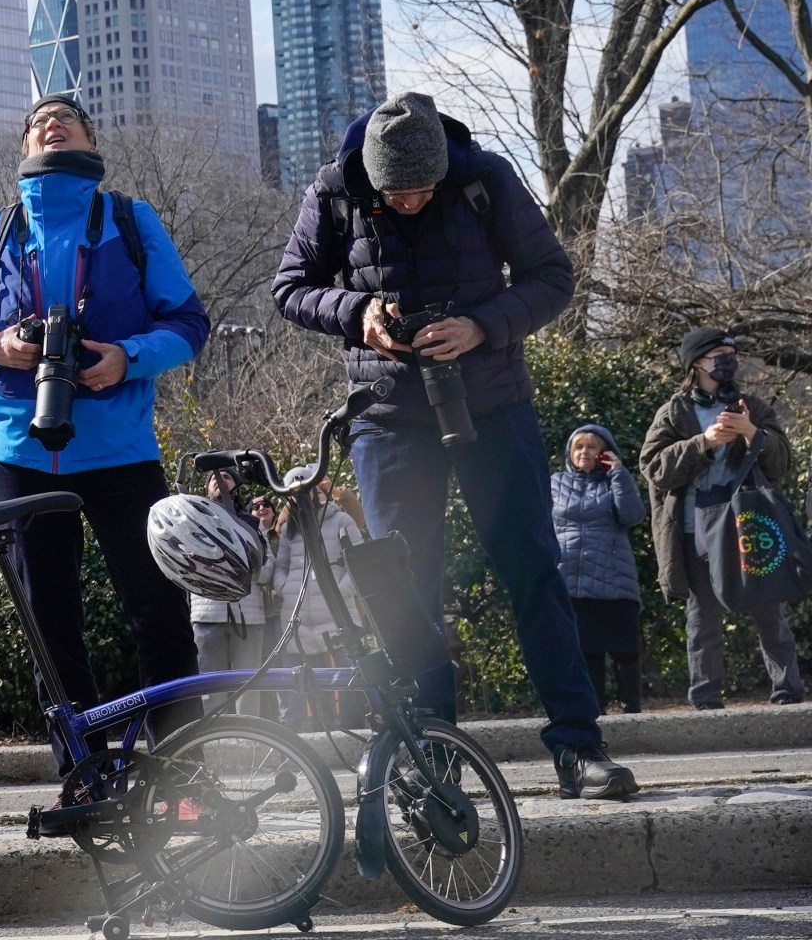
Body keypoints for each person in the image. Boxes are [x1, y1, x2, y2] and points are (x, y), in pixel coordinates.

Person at [273, 92, 636, 799]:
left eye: (423, 189)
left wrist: (482, 327)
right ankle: (427, 752)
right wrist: (358, 314)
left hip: (493, 403)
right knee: (405, 588)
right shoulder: (333, 191)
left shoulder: (484, 178)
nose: (411, 202)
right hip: (383, 414)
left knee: (533, 567)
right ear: (371, 177)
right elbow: (290, 287)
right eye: (396, 192)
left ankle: (578, 746)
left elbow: (552, 277)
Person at [0, 94, 211, 717]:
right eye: (37, 123)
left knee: (159, 612)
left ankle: (182, 772)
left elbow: (190, 324)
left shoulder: (133, 220)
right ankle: (80, 778)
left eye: (65, 119)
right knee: (49, 627)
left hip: (121, 449)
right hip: (19, 450)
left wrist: (127, 357)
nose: (50, 124)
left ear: (91, 143)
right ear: (24, 150)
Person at [638, 329, 805, 709]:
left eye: (731, 352)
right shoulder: (674, 412)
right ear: (697, 362)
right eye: (719, 353)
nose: (728, 359)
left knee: (769, 611)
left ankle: (789, 695)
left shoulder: (753, 406)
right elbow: (653, 468)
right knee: (702, 619)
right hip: (695, 528)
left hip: (750, 524)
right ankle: (706, 703)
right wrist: (705, 442)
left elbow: (782, 462)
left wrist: (751, 433)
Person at [553, 423, 647, 714]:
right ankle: (596, 713)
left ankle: (632, 709)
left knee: (625, 649)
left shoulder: (614, 480)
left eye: (591, 446)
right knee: (586, 651)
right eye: (578, 446)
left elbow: (633, 516)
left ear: (604, 452)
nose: (584, 452)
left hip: (614, 577)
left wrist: (618, 473)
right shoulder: (554, 482)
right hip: (570, 579)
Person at [268, 480, 367, 730]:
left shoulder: (341, 520)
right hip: (299, 615)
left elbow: (358, 562)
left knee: (351, 678)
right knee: (309, 683)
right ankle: (319, 735)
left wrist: (338, 592)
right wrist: (285, 589)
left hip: (339, 612)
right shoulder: (289, 528)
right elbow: (281, 566)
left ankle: (355, 731)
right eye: (293, 493)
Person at [188, 467, 275, 686]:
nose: (219, 479)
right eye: (213, 478)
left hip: (250, 617)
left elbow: (267, 569)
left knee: (249, 689)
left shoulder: (253, 525)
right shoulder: (192, 519)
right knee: (209, 690)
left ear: (236, 486)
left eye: (226, 477)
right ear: (206, 488)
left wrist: (244, 569)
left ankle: (247, 723)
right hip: (206, 616)